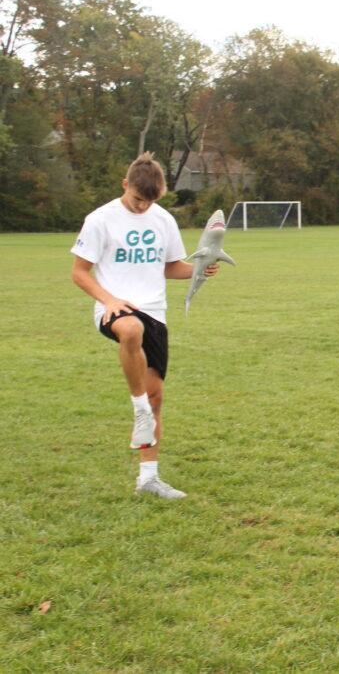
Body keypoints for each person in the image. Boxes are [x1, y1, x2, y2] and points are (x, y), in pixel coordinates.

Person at [70, 152, 219, 499]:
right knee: (131, 329)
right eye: (137, 199)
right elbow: (79, 272)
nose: (142, 207)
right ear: (125, 185)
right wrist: (108, 301)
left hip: (156, 311)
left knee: (157, 398)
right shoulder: (100, 219)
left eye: (150, 201)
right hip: (115, 308)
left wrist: (201, 270)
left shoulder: (163, 220)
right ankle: (137, 409)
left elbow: (170, 267)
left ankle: (148, 479)